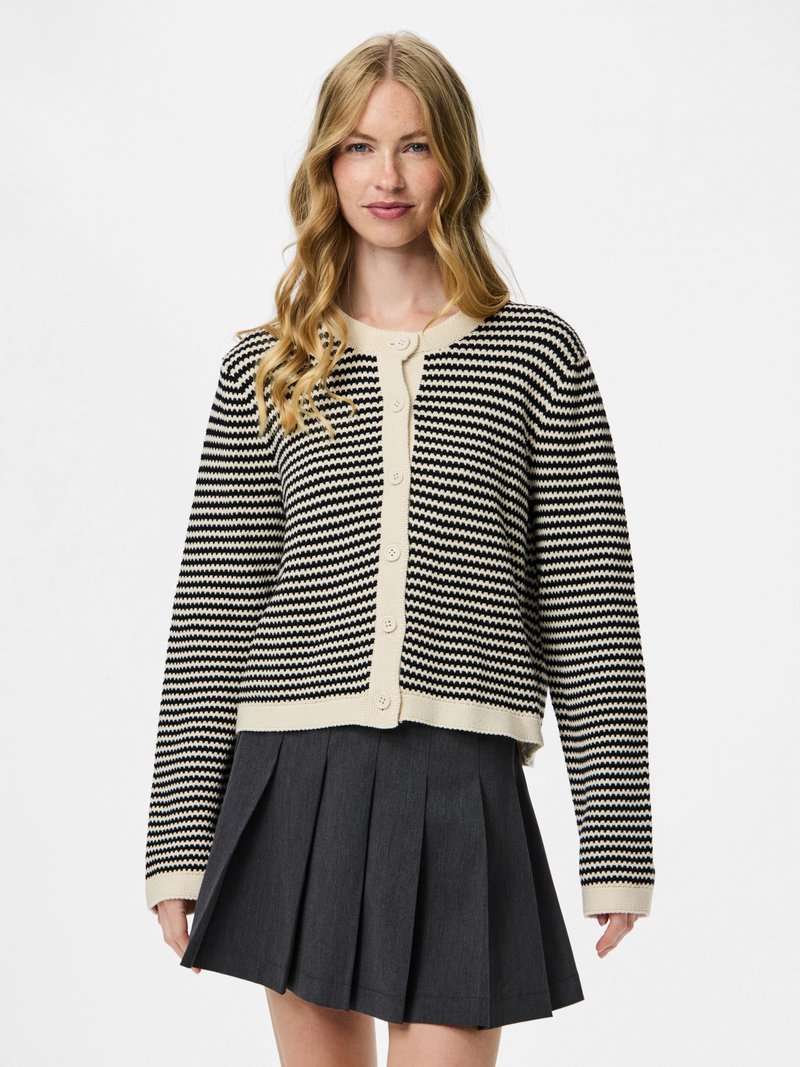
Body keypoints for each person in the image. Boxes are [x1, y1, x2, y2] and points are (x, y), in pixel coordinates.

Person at [144, 30, 655, 1067]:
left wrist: (615, 840)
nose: (386, 176)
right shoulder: (266, 367)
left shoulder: (535, 354)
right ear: (325, 165)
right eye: (358, 147)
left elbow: (590, 603)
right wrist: (177, 842)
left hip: (460, 781)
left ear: (453, 162)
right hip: (294, 775)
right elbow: (214, 606)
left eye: (414, 146)